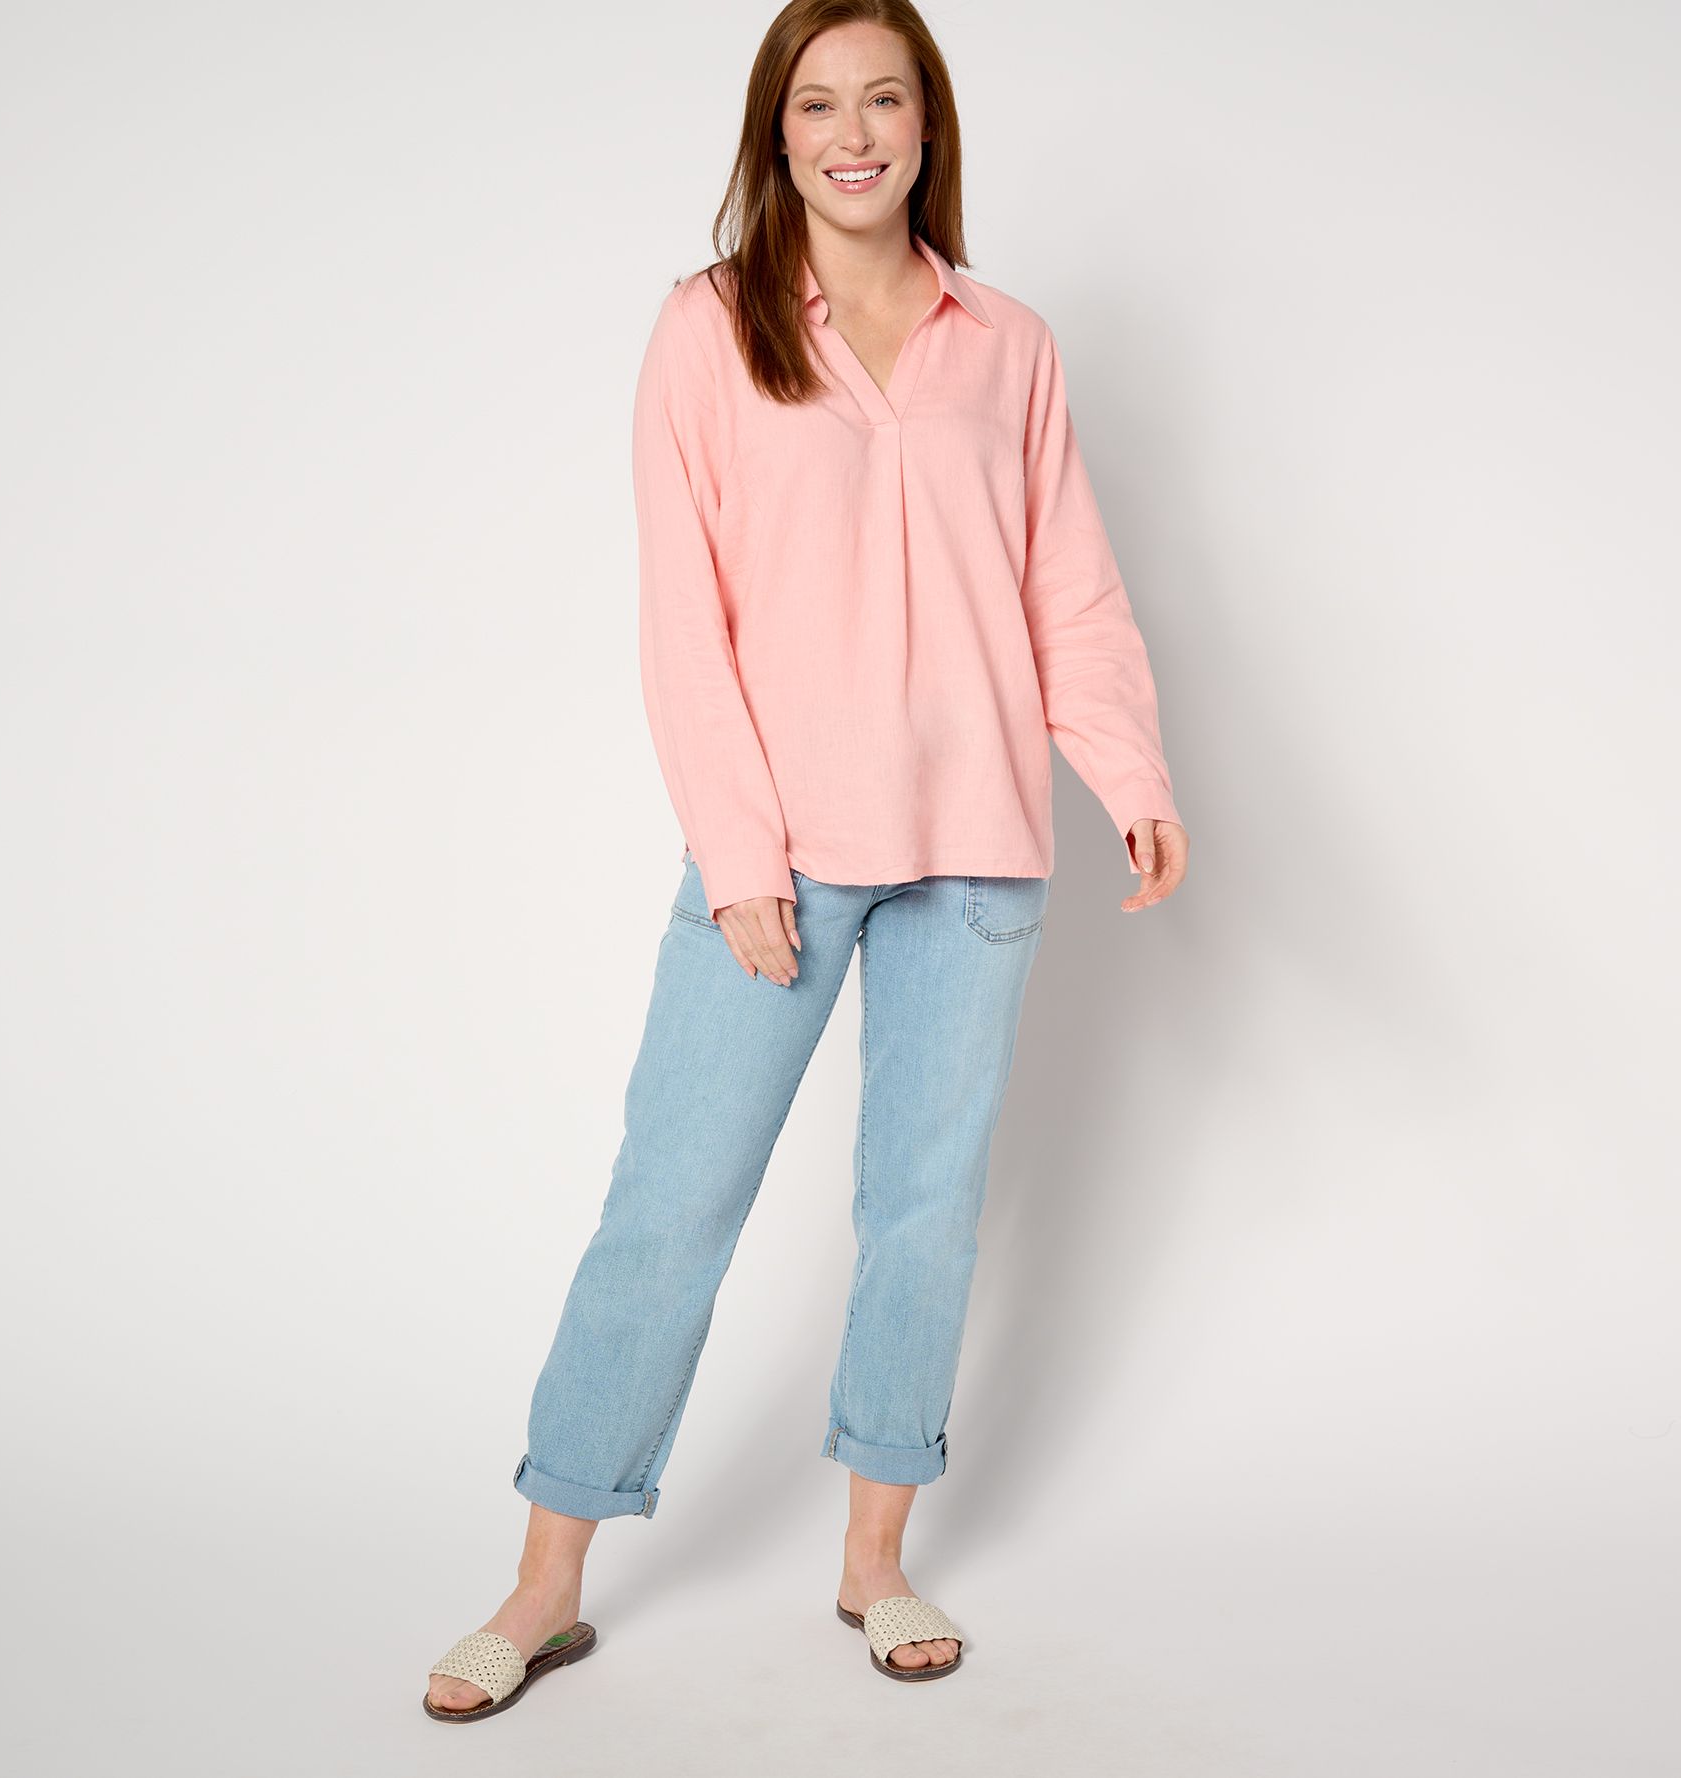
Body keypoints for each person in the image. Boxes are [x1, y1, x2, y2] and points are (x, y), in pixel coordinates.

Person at [423, 0, 1189, 1722]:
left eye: (884, 99)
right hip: (778, 851)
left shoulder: (1010, 344)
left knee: (923, 1215)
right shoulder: (709, 328)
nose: (855, 133)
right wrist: (738, 851)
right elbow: (680, 616)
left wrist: (1129, 772)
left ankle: (874, 1559)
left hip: (979, 844)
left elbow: (1066, 584)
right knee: (671, 1204)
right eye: (820, 103)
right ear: (778, 132)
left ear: (928, 125)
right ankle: (545, 1583)